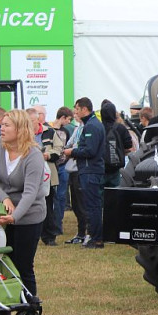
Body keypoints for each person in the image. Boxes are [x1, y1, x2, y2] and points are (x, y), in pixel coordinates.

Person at [0, 109, 48, 297]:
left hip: (29, 216)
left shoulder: (33, 155)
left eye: (6, 125)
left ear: (20, 129)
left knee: (23, 265)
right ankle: (5, 307)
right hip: (2, 213)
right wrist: (4, 198)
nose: (1, 128)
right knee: (3, 264)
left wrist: (14, 217)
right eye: (1, 124)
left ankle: (29, 311)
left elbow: (30, 192)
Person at [62, 97, 106, 249]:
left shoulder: (92, 126)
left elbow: (90, 150)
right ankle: (95, 237)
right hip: (89, 170)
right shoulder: (90, 124)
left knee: (92, 206)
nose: (75, 112)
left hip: (90, 171)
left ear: (84, 109)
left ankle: (96, 239)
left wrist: (72, 151)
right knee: (92, 205)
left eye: (77, 109)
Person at [37, 105, 66, 246]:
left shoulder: (49, 132)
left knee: (48, 205)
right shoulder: (23, 132)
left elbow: (59, 149)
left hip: (47, 175)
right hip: (29, 175)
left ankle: (49, 236)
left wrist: (48, 155)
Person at [46, 107, 73, 241]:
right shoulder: (48, 129)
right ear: (62, 117)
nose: (69, 122)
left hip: (62, 167)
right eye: (68, 119)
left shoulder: (66, 131)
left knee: (61, 197)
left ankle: (58, 225)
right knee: (51, 197)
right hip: (51, 166)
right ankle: (51, 225)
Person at [101, 101, 134, 190]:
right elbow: (129, 144)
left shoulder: (98, 127)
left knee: (100, 197)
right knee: (116, 194)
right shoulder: (121, 128)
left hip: (100, 168)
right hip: (116, 168)